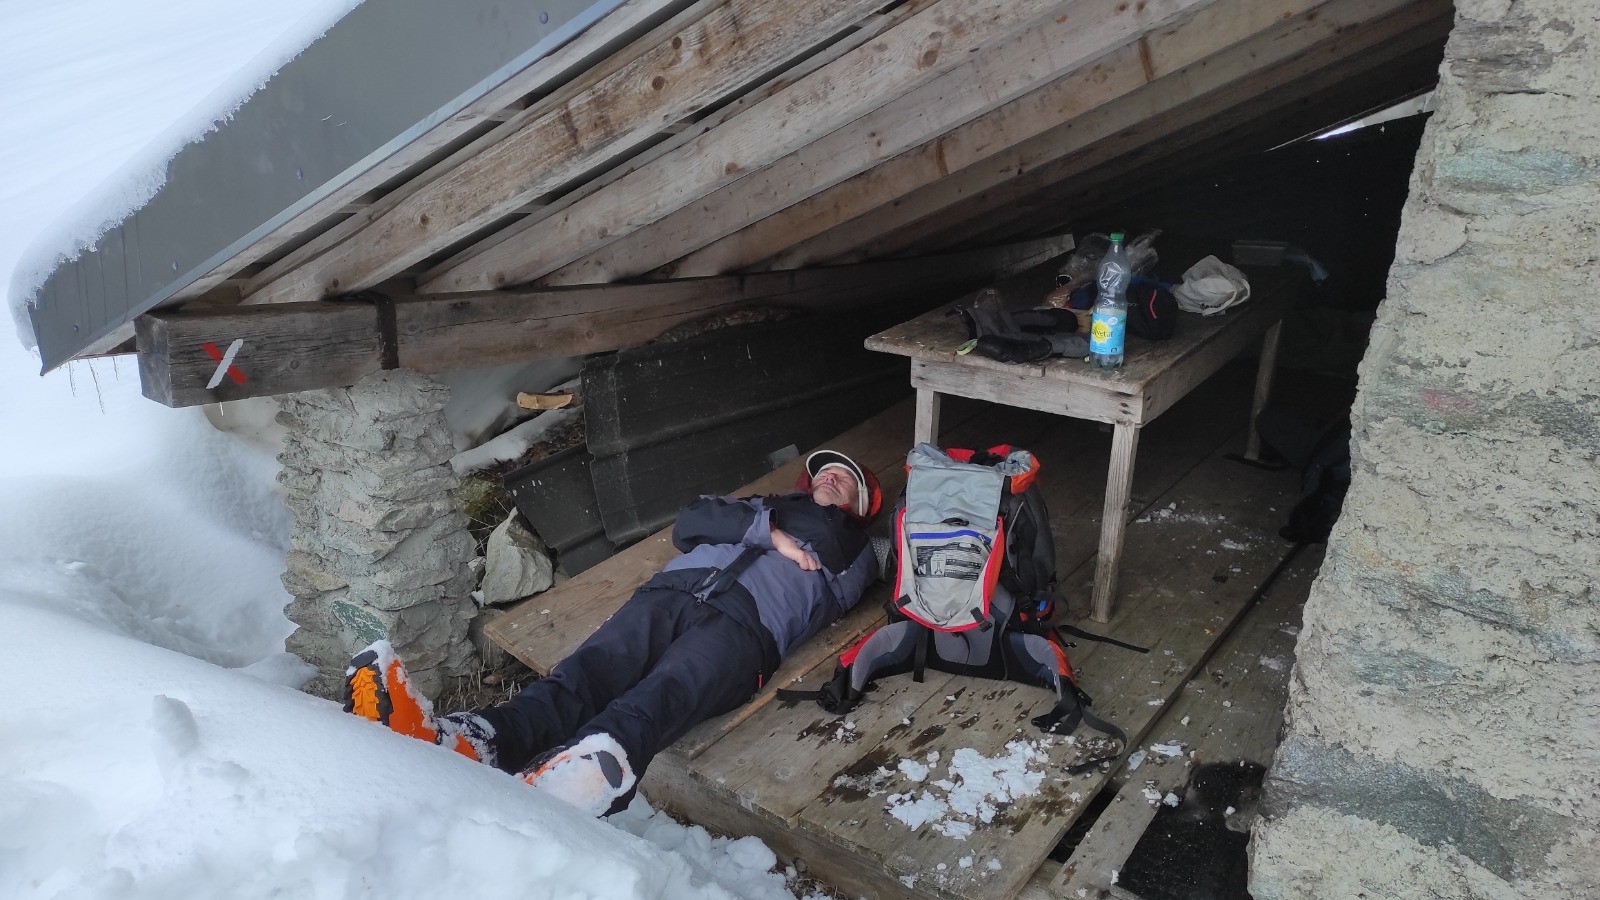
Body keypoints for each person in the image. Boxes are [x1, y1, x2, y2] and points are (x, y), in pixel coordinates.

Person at [342, 449, 883, 816]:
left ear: (863, 507)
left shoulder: (861, 550)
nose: (831, 478)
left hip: (747, 627)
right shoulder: (762, 510)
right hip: (672, 593)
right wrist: (769, 531)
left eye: (847, 480)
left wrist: (780, 532)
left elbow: (887, 550)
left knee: (662, 695)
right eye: (824, 472)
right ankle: (471, 740)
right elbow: (691, 521)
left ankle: (580, 780)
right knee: (583, 675)